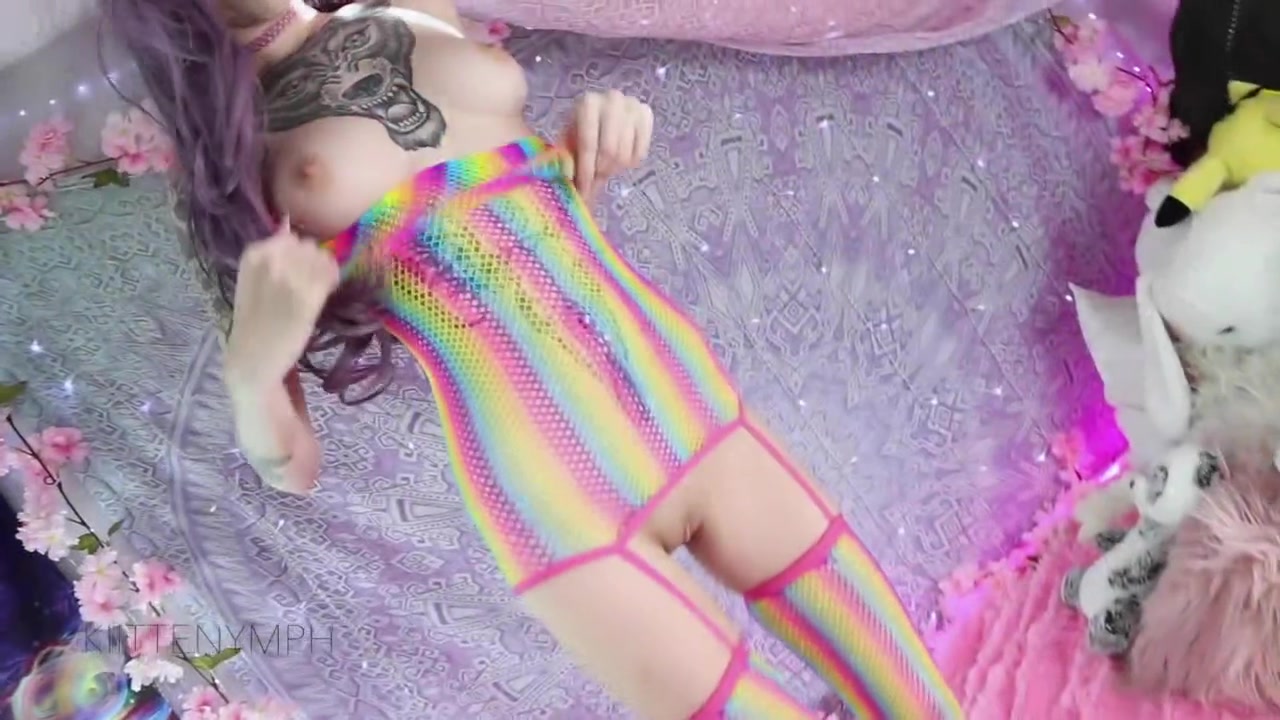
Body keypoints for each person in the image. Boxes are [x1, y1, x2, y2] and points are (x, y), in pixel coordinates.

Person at [101, 1, 965, 717]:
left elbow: (523, 205)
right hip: (552, 495)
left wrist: (592, 148)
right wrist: (252, 369)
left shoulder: (416, 6)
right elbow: (289, 466)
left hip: (684, 397)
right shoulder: (224, 160)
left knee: (923, 701)